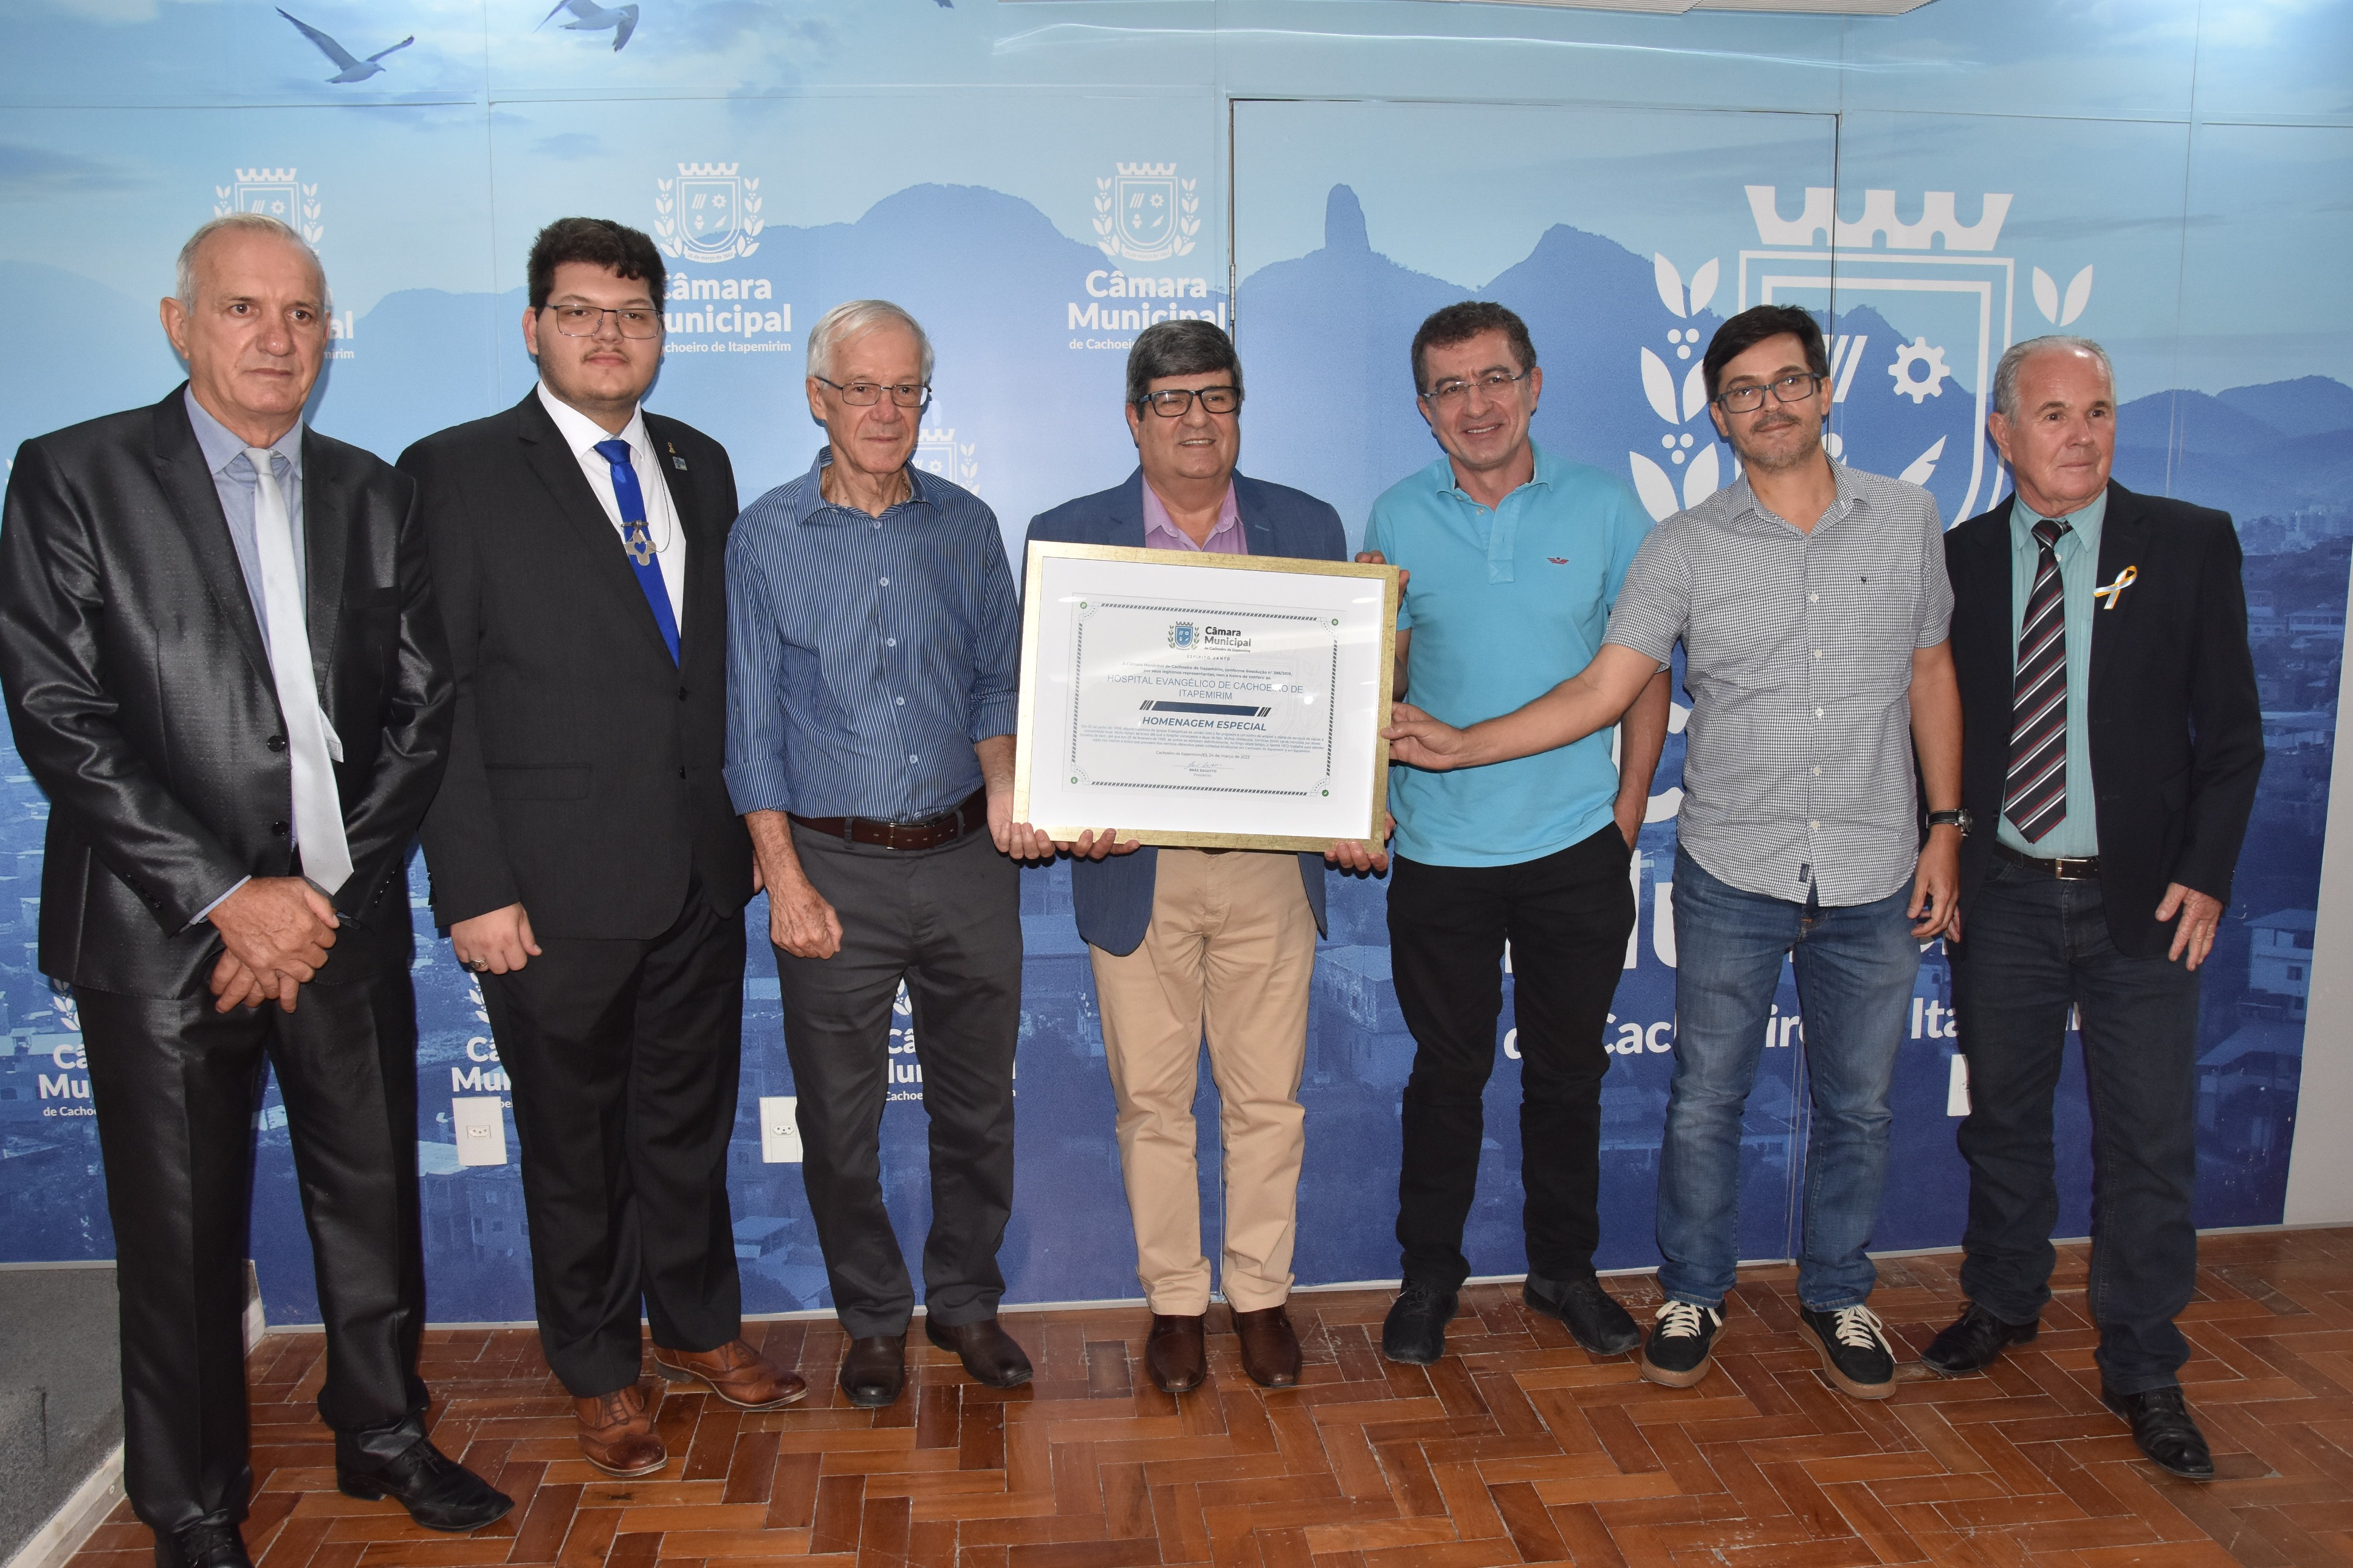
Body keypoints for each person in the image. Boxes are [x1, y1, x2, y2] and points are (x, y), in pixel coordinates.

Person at [0, 213, 508, 1568]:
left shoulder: (372, 492)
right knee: (178, 1236)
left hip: (338, 918)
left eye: (301, 312)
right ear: (180, 325)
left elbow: (421, 710)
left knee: (371, 1198)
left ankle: (381, 1430)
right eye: (242, 309)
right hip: (157, 930)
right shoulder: (73, 475)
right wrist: (230, 895)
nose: (277, 338)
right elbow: (58, 714)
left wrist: (312, 898)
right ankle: (191, 1505)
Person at [1385, 303, 1964, 1402]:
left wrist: (1947, 824)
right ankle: (1618, 1286)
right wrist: (1410, 699)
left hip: (1847, 858)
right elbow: (1592, 680)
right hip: (1679, 861)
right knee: (1685, 1098)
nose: (1769, 406)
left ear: (1824, 390)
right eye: (1744, 392)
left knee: (1848, 1104)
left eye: (1787, 383)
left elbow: (1927, 671)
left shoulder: (1902, 518)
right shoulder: (1681, 541)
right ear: (1717, 415)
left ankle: (1817, 1290)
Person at [399, 217, 802, 1478]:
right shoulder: (455, 470)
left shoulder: (699, 462)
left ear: (662, 332)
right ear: (534, 328)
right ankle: (597, 1367)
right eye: (579, 313)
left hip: (697, 868)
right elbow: (437, 695)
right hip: (547, 886)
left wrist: (749, 831)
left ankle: (695, 1325)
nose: (608, 335)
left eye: (632, 314)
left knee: (687, 1122)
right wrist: (472, 884)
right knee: (573, 1142)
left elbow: (711, 671)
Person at [1925, 335, 2262, 1480]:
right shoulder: (1960, 559)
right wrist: (1948, 847)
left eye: (2100, 410)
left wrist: (2207, 870)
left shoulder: (2191, 542)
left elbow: (2235, 732)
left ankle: (2144, 1363)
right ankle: (2003, 1300)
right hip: (2006, 892)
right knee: (2005, 1120)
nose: (2083, 434)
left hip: (2149, 898)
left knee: (2149, 1142)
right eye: (2056, 413)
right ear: (2002, 433)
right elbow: (1933, 722)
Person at [1023, 319, 1358, 1394]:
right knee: (1152, 1102)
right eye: (1171, 401)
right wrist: (1069, 799)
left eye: (1216, 396)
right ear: (1135, 418)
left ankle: (1259, 1295)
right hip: (1138, 867)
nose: (1196, 420)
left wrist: (1353, 788)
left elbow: (1340, 692)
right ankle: (1175, 1300)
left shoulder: (1307, 524)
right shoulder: (1068, 535)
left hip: (1271, 862)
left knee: (1269, 1098)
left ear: (1239, 409)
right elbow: (1051, 703)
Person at [726, 300, 1037, 1409]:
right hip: (831, 866)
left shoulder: (967, 525)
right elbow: (751, 724)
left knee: (978, 1108)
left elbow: (998, 679)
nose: (886, 410)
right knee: (838, 1122)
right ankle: (869, 1316)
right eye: (862, 388)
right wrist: (783, 877)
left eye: (906, 389)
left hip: (967, 857)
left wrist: (1004, 781)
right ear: (819, 399)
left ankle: (965, 1301)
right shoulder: (764, 536)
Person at [1357, 301, 1671, 1367]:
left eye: (1495, 379)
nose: (1477, 405)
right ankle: (1428, 1277)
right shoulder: (1397, 514)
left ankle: (1564, 1271)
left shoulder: (1607, 507)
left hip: (1577, 847)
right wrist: (1368, 634)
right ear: (1425, 409)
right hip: (1440, 852)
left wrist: (1628, 811)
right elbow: (1382, 681)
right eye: (1451, 387)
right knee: (1445, 1078)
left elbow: (1643, 670)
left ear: (1534, 386)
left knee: (1569, 1076)